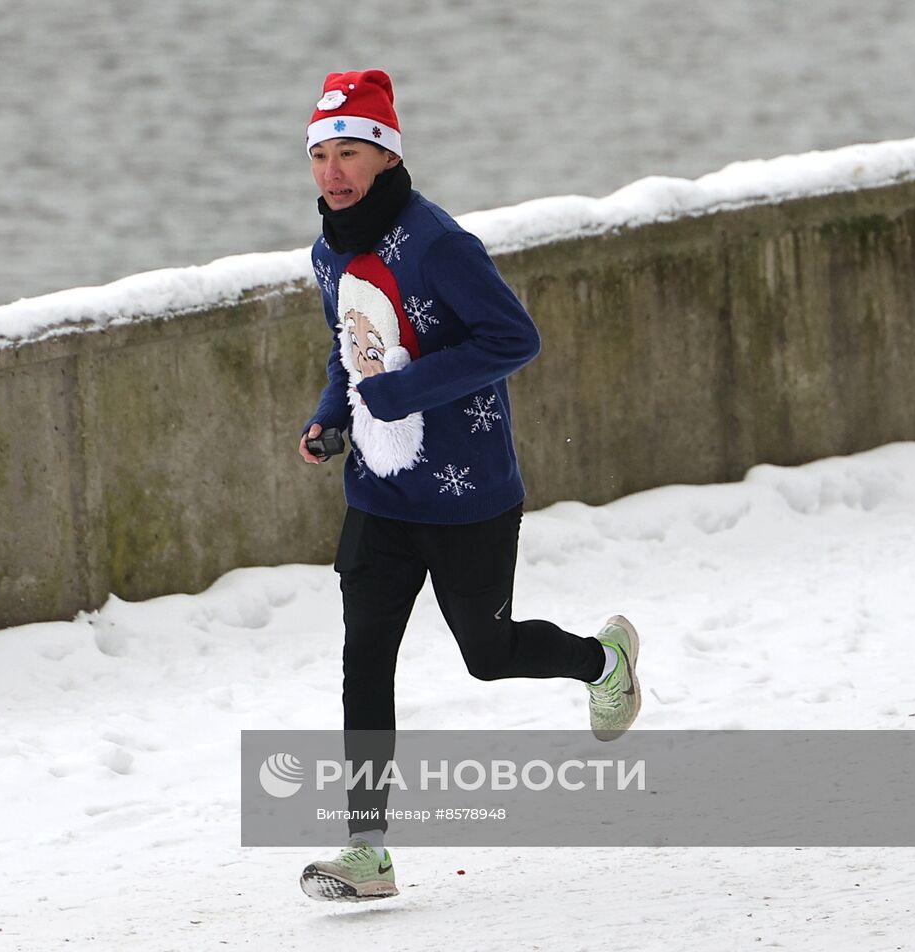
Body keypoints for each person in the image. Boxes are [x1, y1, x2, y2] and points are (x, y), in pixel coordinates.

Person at [295, 69, 642, 903]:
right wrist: (330, 415)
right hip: (379, 497)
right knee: (363, 662)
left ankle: (605, 661)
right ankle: (367, 850)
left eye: (350, 153)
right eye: (319, 155)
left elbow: (513, 338)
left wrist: (401, 394)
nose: (332, 173)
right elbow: (356, 349)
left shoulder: (438, 242)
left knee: (486, 656)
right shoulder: (328, 249)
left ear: (384, 157)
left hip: (467, 498)